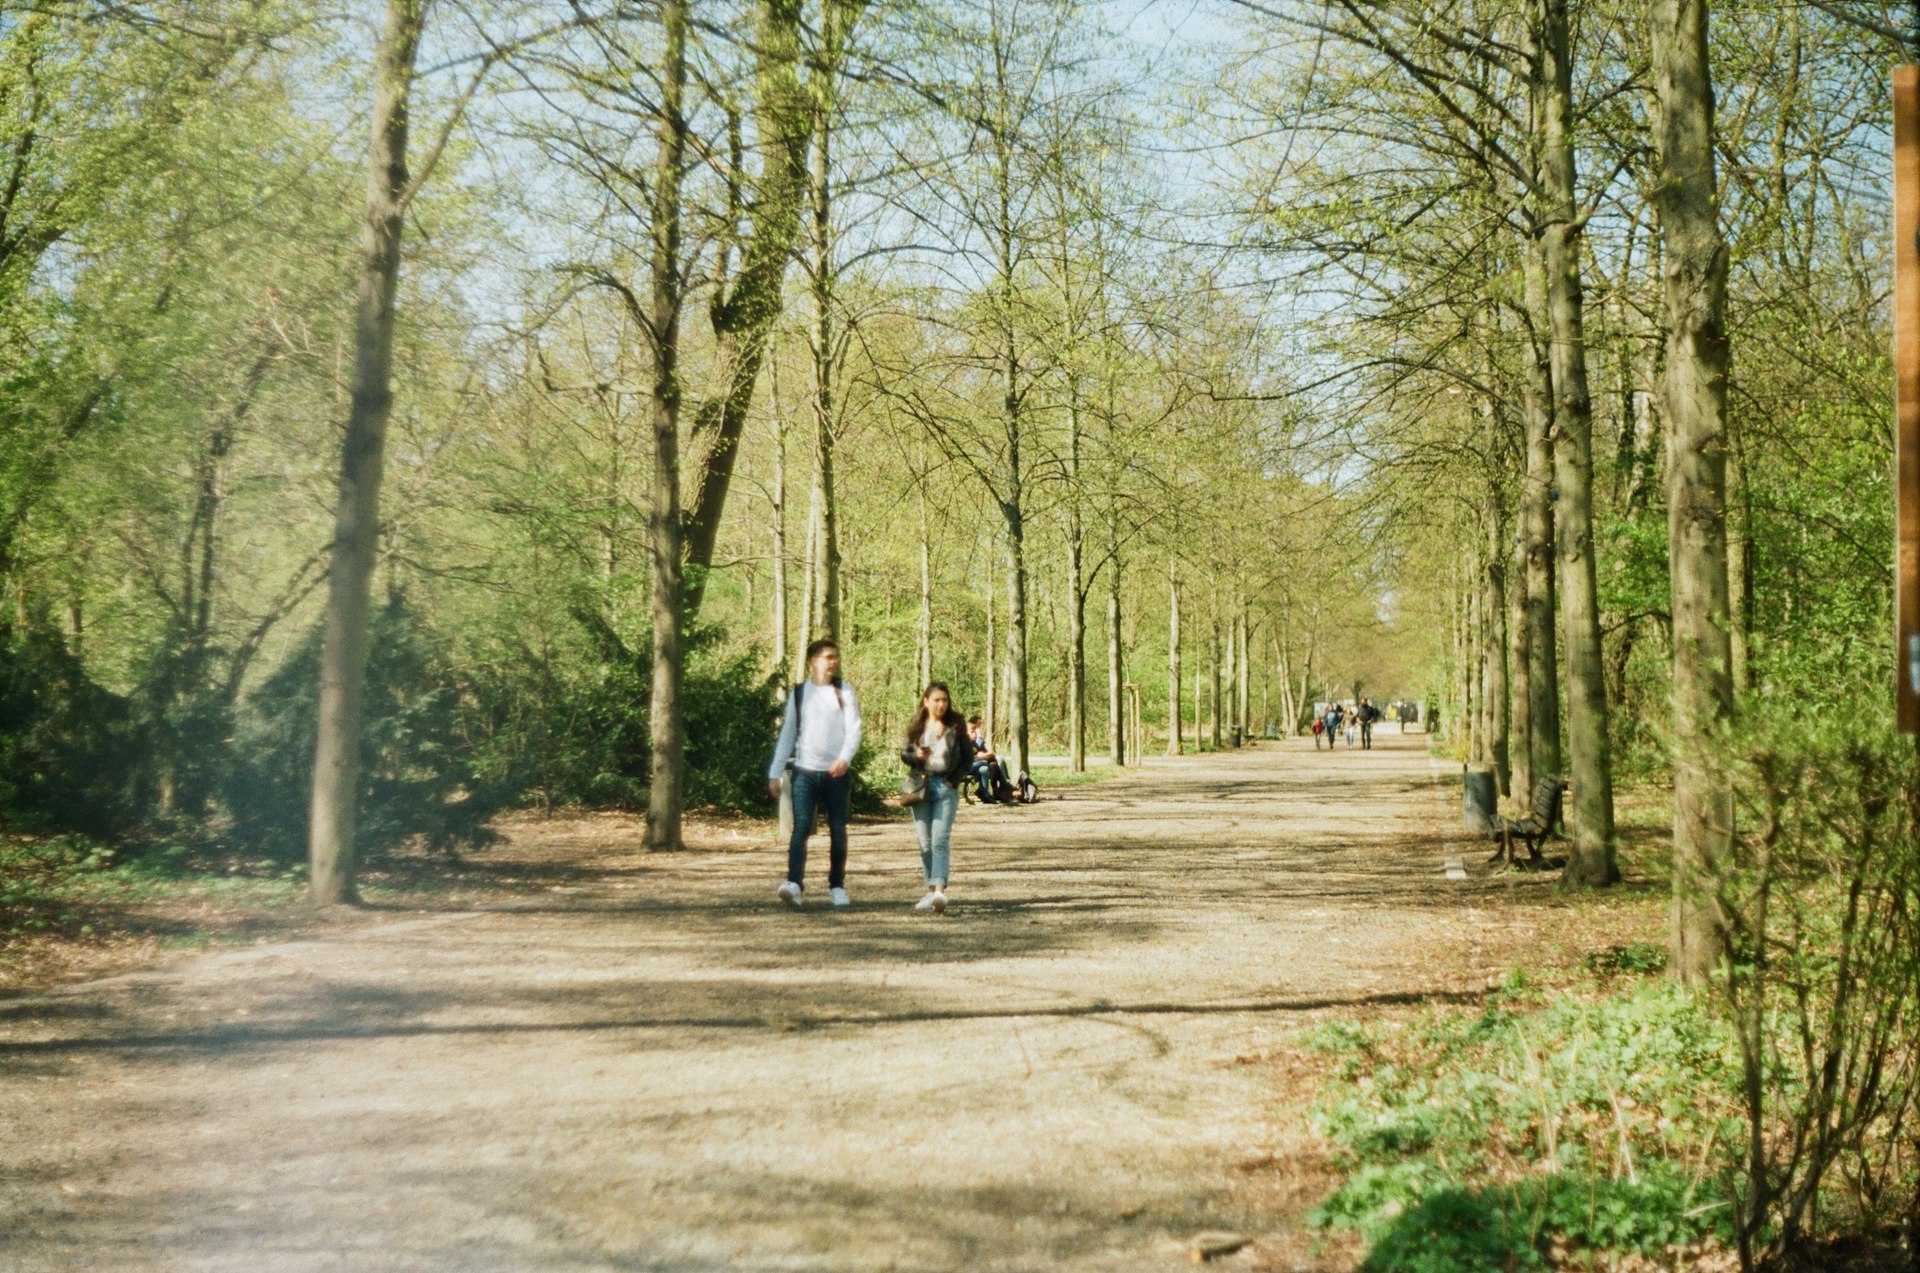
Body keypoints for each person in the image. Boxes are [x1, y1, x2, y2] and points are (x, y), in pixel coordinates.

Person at [767, 638, 863, 909]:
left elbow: (854, 730)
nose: (833, 662)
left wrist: (845, 759)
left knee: (837, 830)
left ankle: (837, 886)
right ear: (813, 660)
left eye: (835, 657)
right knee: (801, 829)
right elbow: (787, 735)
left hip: (836, 774)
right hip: (804, 772)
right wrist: (775, 773)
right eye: (827, 657)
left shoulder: (844, 691)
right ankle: (794, 884)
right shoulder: (799, 693)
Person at [900, 682, 973, 913]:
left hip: (945, 786)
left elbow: (968, 758)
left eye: (945, 700)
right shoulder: (917, 724)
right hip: (921, 786)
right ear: (926, 701)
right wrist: (916, 755)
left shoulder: (956, 724)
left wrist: (954, 780)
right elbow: (904, 753)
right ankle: (930, 891)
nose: (941, 704)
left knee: (940, 839)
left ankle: (940, 891)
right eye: (936, 700)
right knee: (924, 842)